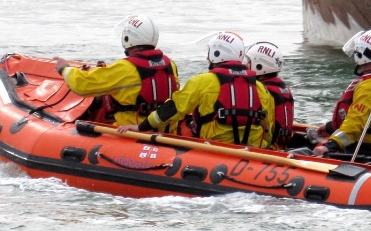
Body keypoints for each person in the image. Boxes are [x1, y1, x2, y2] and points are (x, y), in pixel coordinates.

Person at [118, 31, 275, 148]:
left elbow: (173, 109)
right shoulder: (260, 88)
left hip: (215, 150)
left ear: (217, 53)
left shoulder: (203, 82)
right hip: (253, 152)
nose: (207, 58)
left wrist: (141, 127)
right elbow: (268, 127)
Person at [54, 14, 180, 130]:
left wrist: (64, 69)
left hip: (133, 133)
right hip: (167, 131)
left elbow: (83, 85)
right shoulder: (170, 65)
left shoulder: (126, 68)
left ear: (127, 38)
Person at [311, 29, 371, 158]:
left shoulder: (370, 87)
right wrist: (330, 126)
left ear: (362, 54)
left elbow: (356, 122)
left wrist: (330, 145)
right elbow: (367, 117)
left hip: (363, 149)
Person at [244, 41, 294, 150]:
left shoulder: (262, 91)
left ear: (259, 65)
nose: (245, 65)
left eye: (248, 61)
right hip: (281, 145)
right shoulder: (283, 89)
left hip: (268, 148)